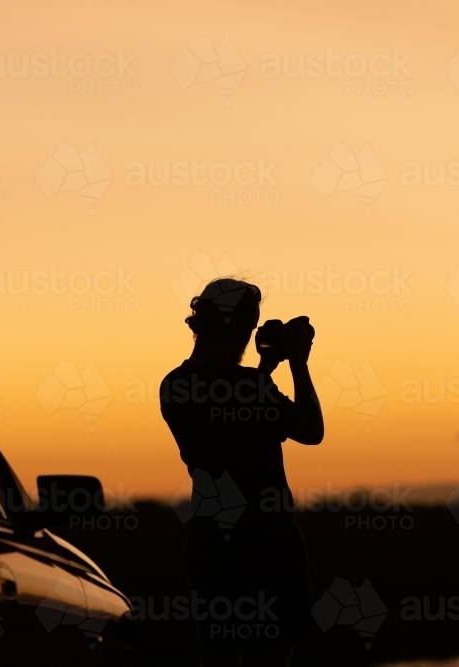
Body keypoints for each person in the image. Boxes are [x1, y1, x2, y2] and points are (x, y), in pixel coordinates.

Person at [159, 278, 324, 667]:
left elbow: (228, 415)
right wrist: (298, 364)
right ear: (235, 328)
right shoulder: (250, 387)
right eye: (251, 327)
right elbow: (311, 430)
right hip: (269, 543)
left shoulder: (175, 385)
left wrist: (264, 369)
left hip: (212, 543)